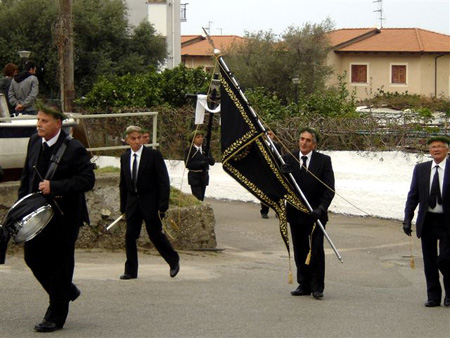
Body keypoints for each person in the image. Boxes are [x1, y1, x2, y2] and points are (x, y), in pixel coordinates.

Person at [18, 102, 95, 332]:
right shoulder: (34, 141)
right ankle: (66, 292)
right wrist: (21, 206)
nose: (39, 124)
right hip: (37, 215)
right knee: (32, 257)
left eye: (44, 121)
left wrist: (56, 186)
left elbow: (87, 181)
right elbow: (27, 176)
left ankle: (56, 315)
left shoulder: (74, 148)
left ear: (58, 124)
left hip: (64, 216)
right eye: (38, 120)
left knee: (61, 265)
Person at [119, 125, 179, 280]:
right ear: (127, 140)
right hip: (133, 204)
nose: (137, 141)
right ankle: (131, 271)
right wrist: (123, 206)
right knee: (130, 236)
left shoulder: (153, 155)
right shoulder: (125, 157)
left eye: (139, 138)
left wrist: (163, 205)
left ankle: (173, 260)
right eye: (133, 138)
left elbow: (163, 181)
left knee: (155, 235)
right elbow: (123, 184)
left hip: (150, 203)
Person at [283, 127, 335, 299]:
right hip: (296, 213)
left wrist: (321, 209)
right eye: (301, 139)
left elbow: (329, 190)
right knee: (300, 249)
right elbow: (281, 185)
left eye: (308, 140)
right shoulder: (288, 159)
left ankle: (317, 286)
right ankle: (303, 284)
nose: (304, 143)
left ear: (314, 144)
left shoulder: (324, 161)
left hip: (316, 215)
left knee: (316, 250)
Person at [403, 136, 450, 307]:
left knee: (445, 259)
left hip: (446, 221)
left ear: (447, 149)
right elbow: (413, 195)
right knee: (429, 261)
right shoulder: (421, 169)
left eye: (439, 147)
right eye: (433, 147)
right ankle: (433, 296)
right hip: (428, 220)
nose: (436, 150)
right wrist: (408, 218)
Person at [184, 130, 215, 201]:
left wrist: (209, 159)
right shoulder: (189, 150)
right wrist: (201, 163)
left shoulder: (206, 149)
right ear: (193, 139)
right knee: (197, 198)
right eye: (198, 137)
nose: (200, 139)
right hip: (194, 177)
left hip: (204, 177)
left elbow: (212, 162)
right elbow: (188, 164)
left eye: (201, 137)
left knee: (201, 197)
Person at [260, 129, 282, 219]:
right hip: (265, 173)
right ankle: (264, 211)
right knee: (265, 193)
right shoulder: (262, 145)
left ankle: (278, 211)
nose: (269, 135)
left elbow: (280, 159)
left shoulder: (277, 146)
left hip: (276, 173)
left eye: (271, 134)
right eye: (267, 134)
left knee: (278, 193)